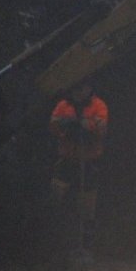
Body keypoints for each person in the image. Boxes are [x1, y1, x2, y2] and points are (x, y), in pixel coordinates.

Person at [49, 80, 108, 261]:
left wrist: (83, 126)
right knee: (55, 194)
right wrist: (68, 127)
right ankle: (55, 242)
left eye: (82, 88)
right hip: (67, 161)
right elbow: (54, 124)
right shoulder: (63, 105)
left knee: (87, 207)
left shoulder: (98, 105)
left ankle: (86, 248)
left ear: (89, 88)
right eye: (76, 88)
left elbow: (101, 127)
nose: (79, 92)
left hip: (88, 161)